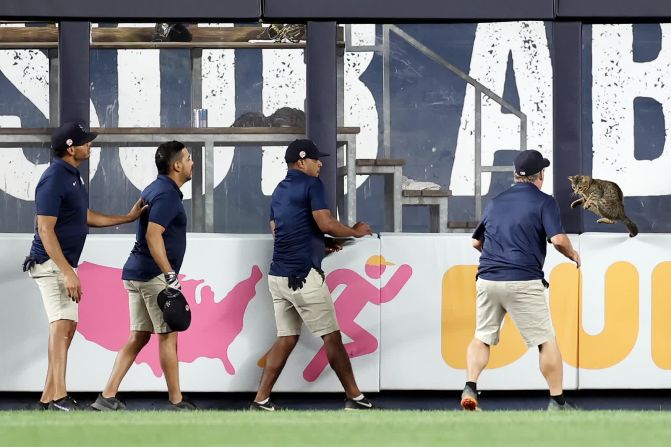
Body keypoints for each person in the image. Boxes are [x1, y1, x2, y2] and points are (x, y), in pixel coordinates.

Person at [25, 122, 147, 411]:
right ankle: (58, 397)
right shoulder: (54, 177)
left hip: (62, 264)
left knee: (68, 327)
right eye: (85, 142)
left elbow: (85, 215)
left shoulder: (72, 177)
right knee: (62, 325)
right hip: (50, 263)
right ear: (70, 147)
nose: (89, 145)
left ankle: (47, 397)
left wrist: (126, 219)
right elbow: (45, 229)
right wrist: (67, 271)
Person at [251, 139, 376, 411]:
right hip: (303, 277)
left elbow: (280, 232)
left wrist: (319, 244)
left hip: (279, 277)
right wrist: (354, 231)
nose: (320, 163)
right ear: (301, 161)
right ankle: (355, 398)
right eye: (316, 159)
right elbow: (325, 223)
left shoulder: (278, 191)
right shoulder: (312, 185)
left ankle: (260, 400)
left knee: (286, 338)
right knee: (332, 338)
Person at [461, 149, 581, 412]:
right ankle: (557, 401)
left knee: (481, 337)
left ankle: (470, 385)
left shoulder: (496, 202)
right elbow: (558, 240)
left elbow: (476, 242)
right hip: (524, 280)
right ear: (540, 175)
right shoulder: (544, 202)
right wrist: (573, 255)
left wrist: (498, 257)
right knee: (545, 341)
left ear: (516, 175)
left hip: (488, 278)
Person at [90, 141, 196, 411]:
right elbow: (153, 235)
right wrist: (169, 275)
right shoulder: (166, 194)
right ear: (177, 166)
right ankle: (177, 401)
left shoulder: (156, 188)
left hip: (137, 272)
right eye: (188, 158)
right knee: (168, 335)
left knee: (139, 335)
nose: (192, 162)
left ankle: (107, 396)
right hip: (151, 276)